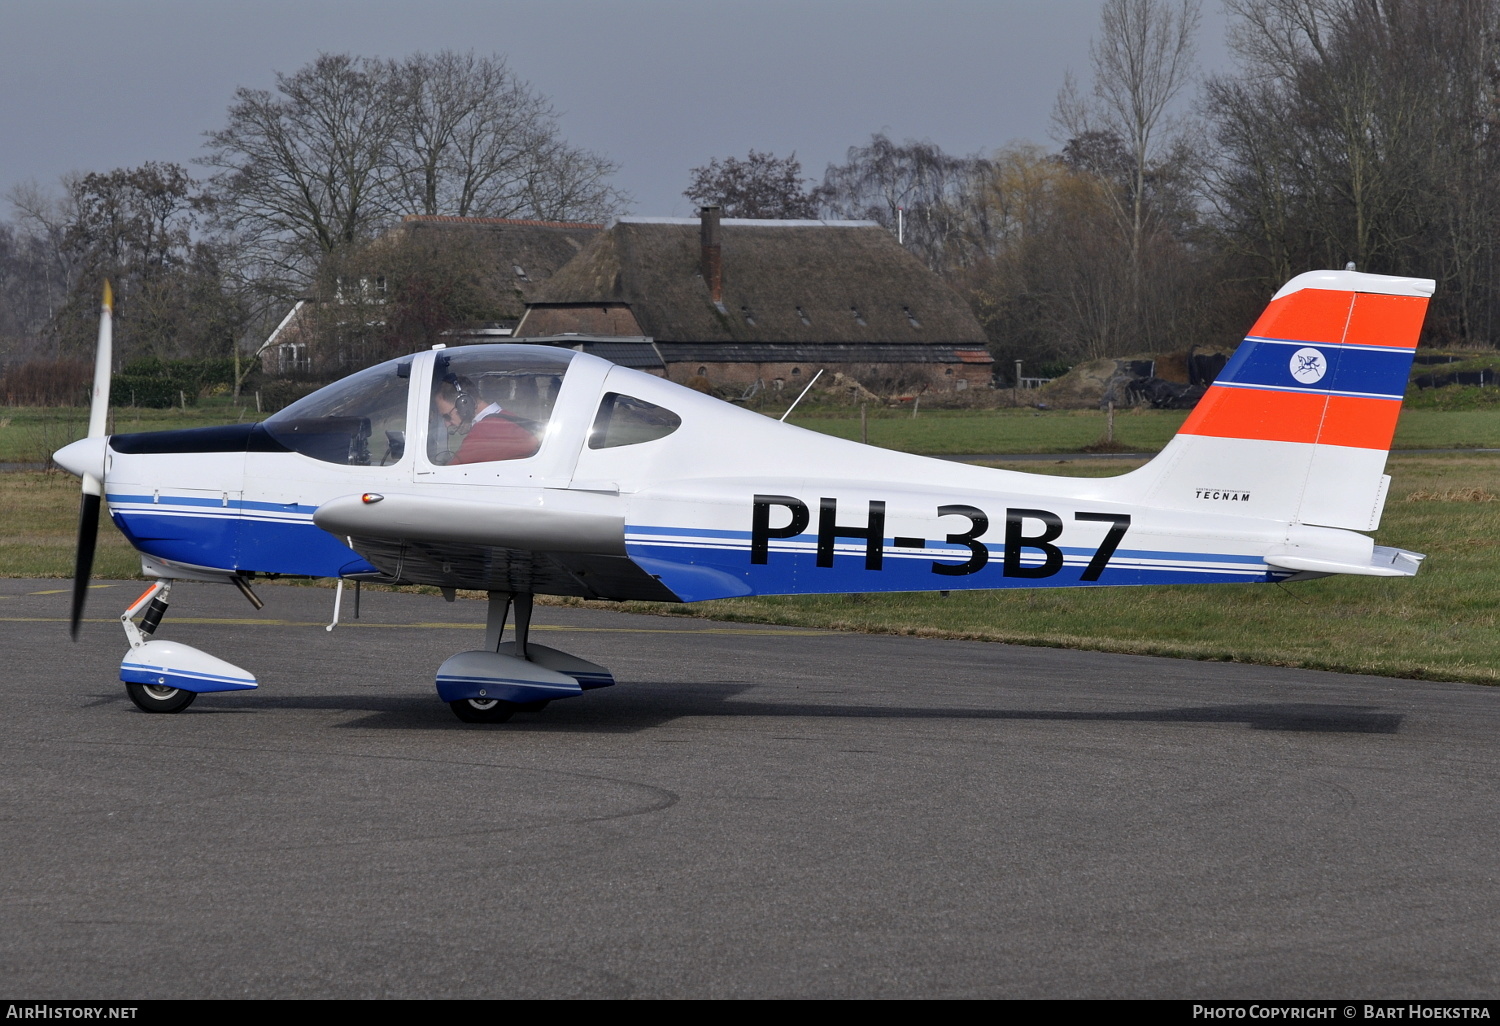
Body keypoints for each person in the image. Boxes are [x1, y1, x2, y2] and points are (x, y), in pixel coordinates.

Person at [431, 377, 540, 464]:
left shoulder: (484, 432)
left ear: (464, 405)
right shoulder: (505, 418)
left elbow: (448, 474)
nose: (446, 424)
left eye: (447, 416)